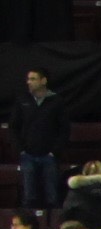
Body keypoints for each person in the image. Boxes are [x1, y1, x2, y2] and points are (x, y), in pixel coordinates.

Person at [14, 65, 70, 212]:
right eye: (28, 79)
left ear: (43, 81)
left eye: (33, 79)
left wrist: (54, 151)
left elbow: (64, 129)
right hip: (28, 154)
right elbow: (13, 127)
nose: (28, 82)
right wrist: (21, 149)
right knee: (28, 196)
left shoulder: (56, 101)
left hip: (49, 155)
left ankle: (52, 228)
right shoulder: (22, 100)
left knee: (52, 195)